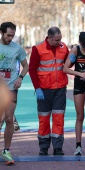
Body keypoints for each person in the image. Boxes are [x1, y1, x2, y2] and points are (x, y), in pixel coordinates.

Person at [29, 27, 69, 156]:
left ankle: (58, 147)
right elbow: (32, 69)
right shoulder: (38, 48)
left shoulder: (64, 47)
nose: (59, 42)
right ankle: (44, 146)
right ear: (49, 38)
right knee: (44, 118)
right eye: (57, 40)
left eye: (60, 39)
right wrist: (37, 88)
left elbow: (69, 64)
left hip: (60, 89)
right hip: (44, 90)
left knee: (59, 118)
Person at [0, 22, 28, 164]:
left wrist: (20, 78)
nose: (10, 38)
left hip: (11, 88)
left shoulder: (17, 49)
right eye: (8, 35)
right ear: (1, 32)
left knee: (9, 119)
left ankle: (6, 151)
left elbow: (25, 66)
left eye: (12, 35)